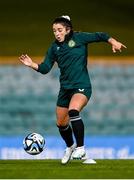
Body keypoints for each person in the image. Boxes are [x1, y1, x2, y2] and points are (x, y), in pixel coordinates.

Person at [19, 15, 126, 164]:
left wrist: (113, 42)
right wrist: (32, 64)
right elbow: (45, 68)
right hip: (65, 89)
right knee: (61, 123)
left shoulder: (80, 38)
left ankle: (81, 148)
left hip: (82, 85)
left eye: (59, 30)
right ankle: (70, 147)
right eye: (54, 30)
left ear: (68, 30)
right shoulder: (54, 48)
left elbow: (101, 35)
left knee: (73, 111)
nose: (56, 33)